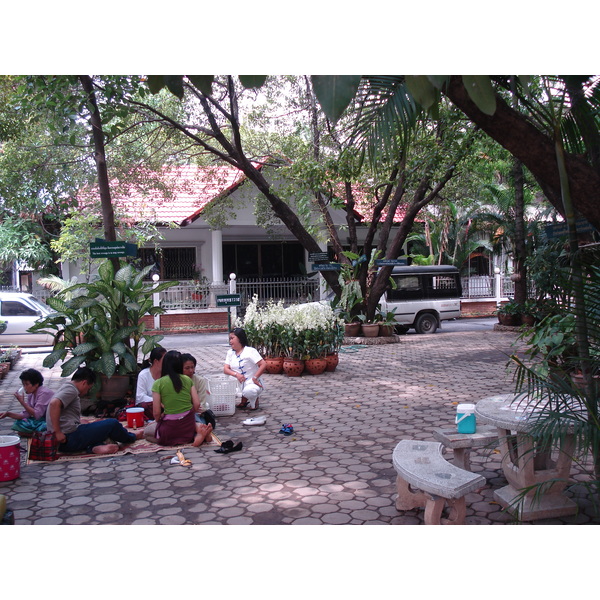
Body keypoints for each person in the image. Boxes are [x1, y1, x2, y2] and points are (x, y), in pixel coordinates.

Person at [46, 367, 143, 455]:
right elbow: (54, 404)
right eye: (89, 388)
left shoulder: (66, 387)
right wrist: (57, 432)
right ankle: (131, 437)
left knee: (99, 429)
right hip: (68, 438)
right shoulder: (71, 390)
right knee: (112, 424)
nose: (87, 392)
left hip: (65, 443)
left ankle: (93, 448)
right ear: (84, 382)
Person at [143, 350, 213, 447]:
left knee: (146, 433)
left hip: (169, 427)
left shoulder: (158, 383)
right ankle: (197, 435)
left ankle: (173, 440)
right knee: (193, 424)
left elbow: (156, 413)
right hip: (188, 425)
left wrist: (159, 419)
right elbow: (197, 405)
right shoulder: (188, 380)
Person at [0, 369, 54, 434]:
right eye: (23, 385)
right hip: (41, 419)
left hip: (51, 420)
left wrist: (22, 403)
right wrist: (8, 414)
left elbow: (37, 415)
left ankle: (39, 435)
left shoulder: (44, 393)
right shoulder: (31, 394)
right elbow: (26, 414)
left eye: (27, 384)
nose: (25, 387)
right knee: (19, 423)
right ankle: (36, 434)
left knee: (41, 427)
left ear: (36, 384)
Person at [224, 327, 266, 411]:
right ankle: (244, 399)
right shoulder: (230, 353)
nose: (230, 341)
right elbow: (225, 369)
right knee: (223, 389)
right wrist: (236, 374)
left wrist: (255, 377)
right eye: (229, 339)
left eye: (232, 338)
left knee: (249, 391)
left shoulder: (250, 351)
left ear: (240, 338)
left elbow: (263, 364)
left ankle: (254, 400)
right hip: (237, 383)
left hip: (252, 383)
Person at [181, 353, 216, 429]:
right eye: (187, 368)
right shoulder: (176, 381)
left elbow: (201, 403)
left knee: (199, 424)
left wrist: (194, 410)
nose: (191, 370)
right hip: (181, 414)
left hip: (196, 413)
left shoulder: (199, 380)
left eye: (192, 367)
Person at [136, 346, 167, 419]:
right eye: (164, 360)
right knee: (145, 406)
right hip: (151, 406)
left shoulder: (167, 374)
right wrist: (157, 401)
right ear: (156, 361)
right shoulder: (143, 375)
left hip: (166, 405)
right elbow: (140, 396)